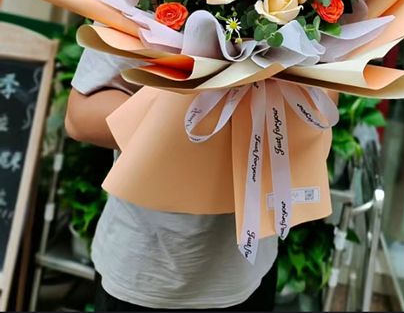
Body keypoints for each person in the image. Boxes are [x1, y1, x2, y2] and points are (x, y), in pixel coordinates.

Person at [66, 48, 278, 311]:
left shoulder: (299, 22)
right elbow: (80, 117)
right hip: (147, 270)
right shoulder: (143, 19)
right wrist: (201, 123)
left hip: (251, 262)